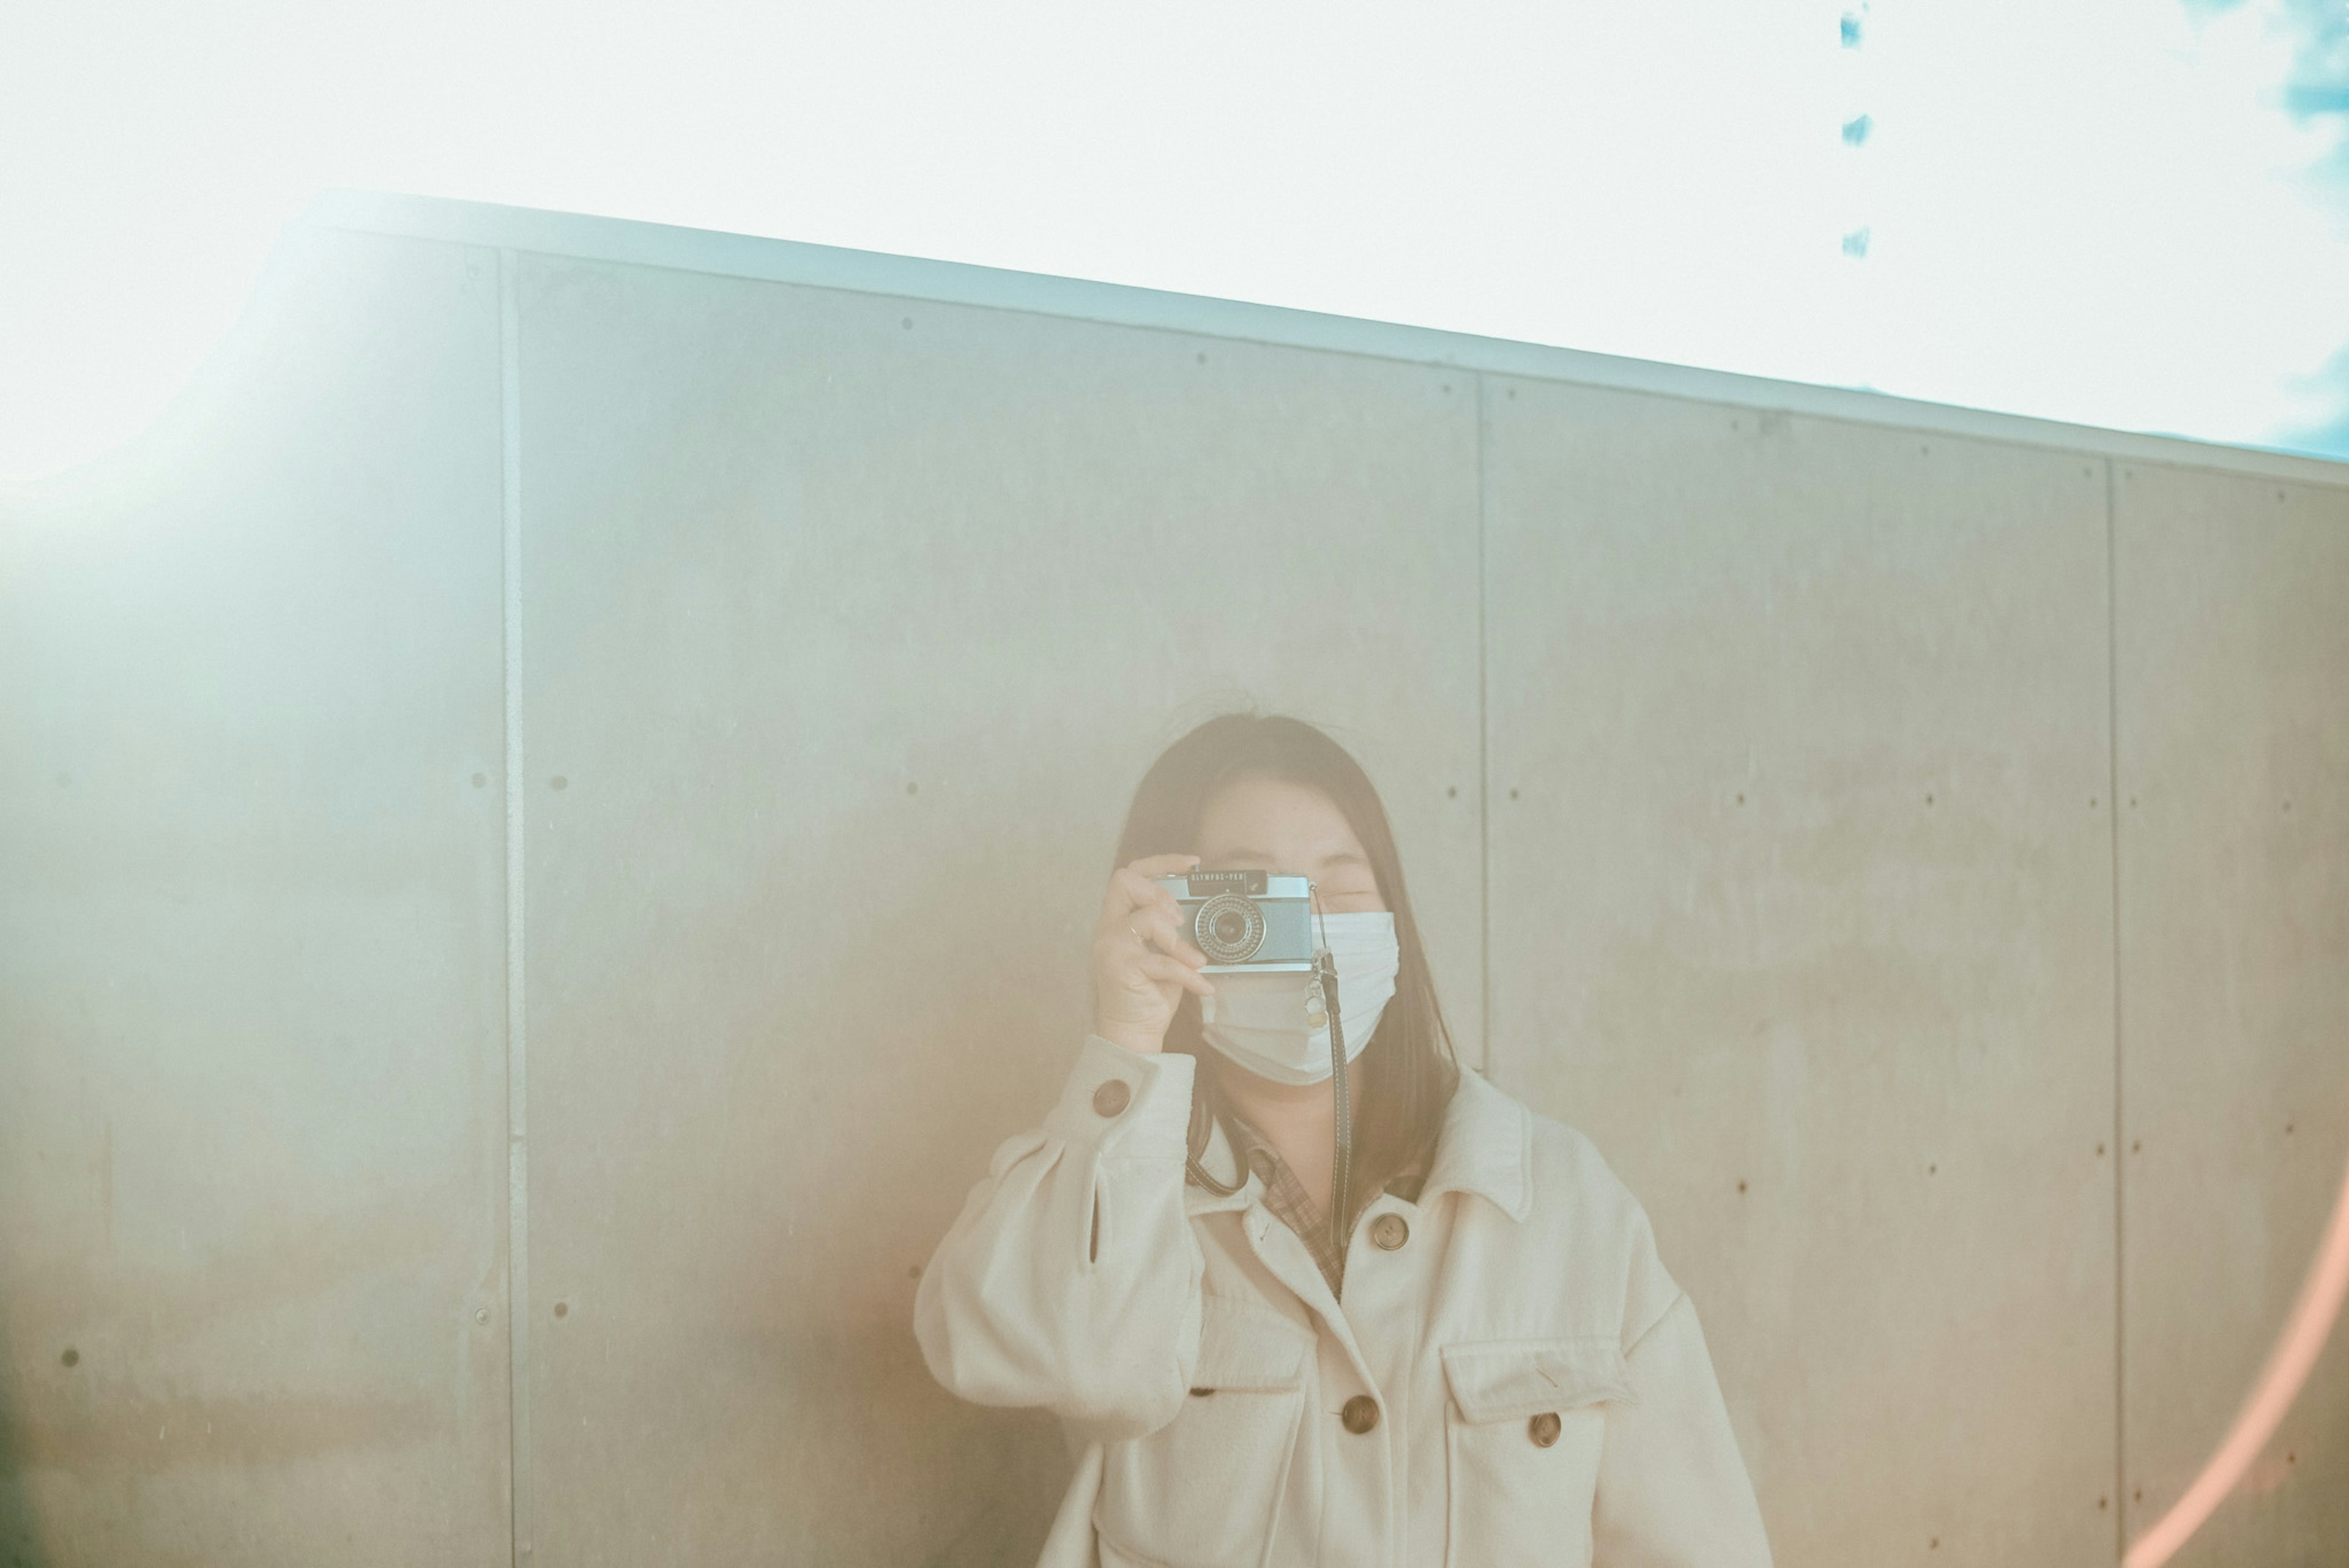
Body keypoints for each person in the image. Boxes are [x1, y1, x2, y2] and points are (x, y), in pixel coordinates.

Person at [913, 713, 1773, 1567]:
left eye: (1341, 888)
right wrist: (1128, 1044)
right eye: (1254, 895)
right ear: (1173, 918)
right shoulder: (1112, 1189)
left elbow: (1696, 1548)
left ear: (1392, 921)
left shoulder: (1562, 1199)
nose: (1310, 928)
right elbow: (1067, 1362)